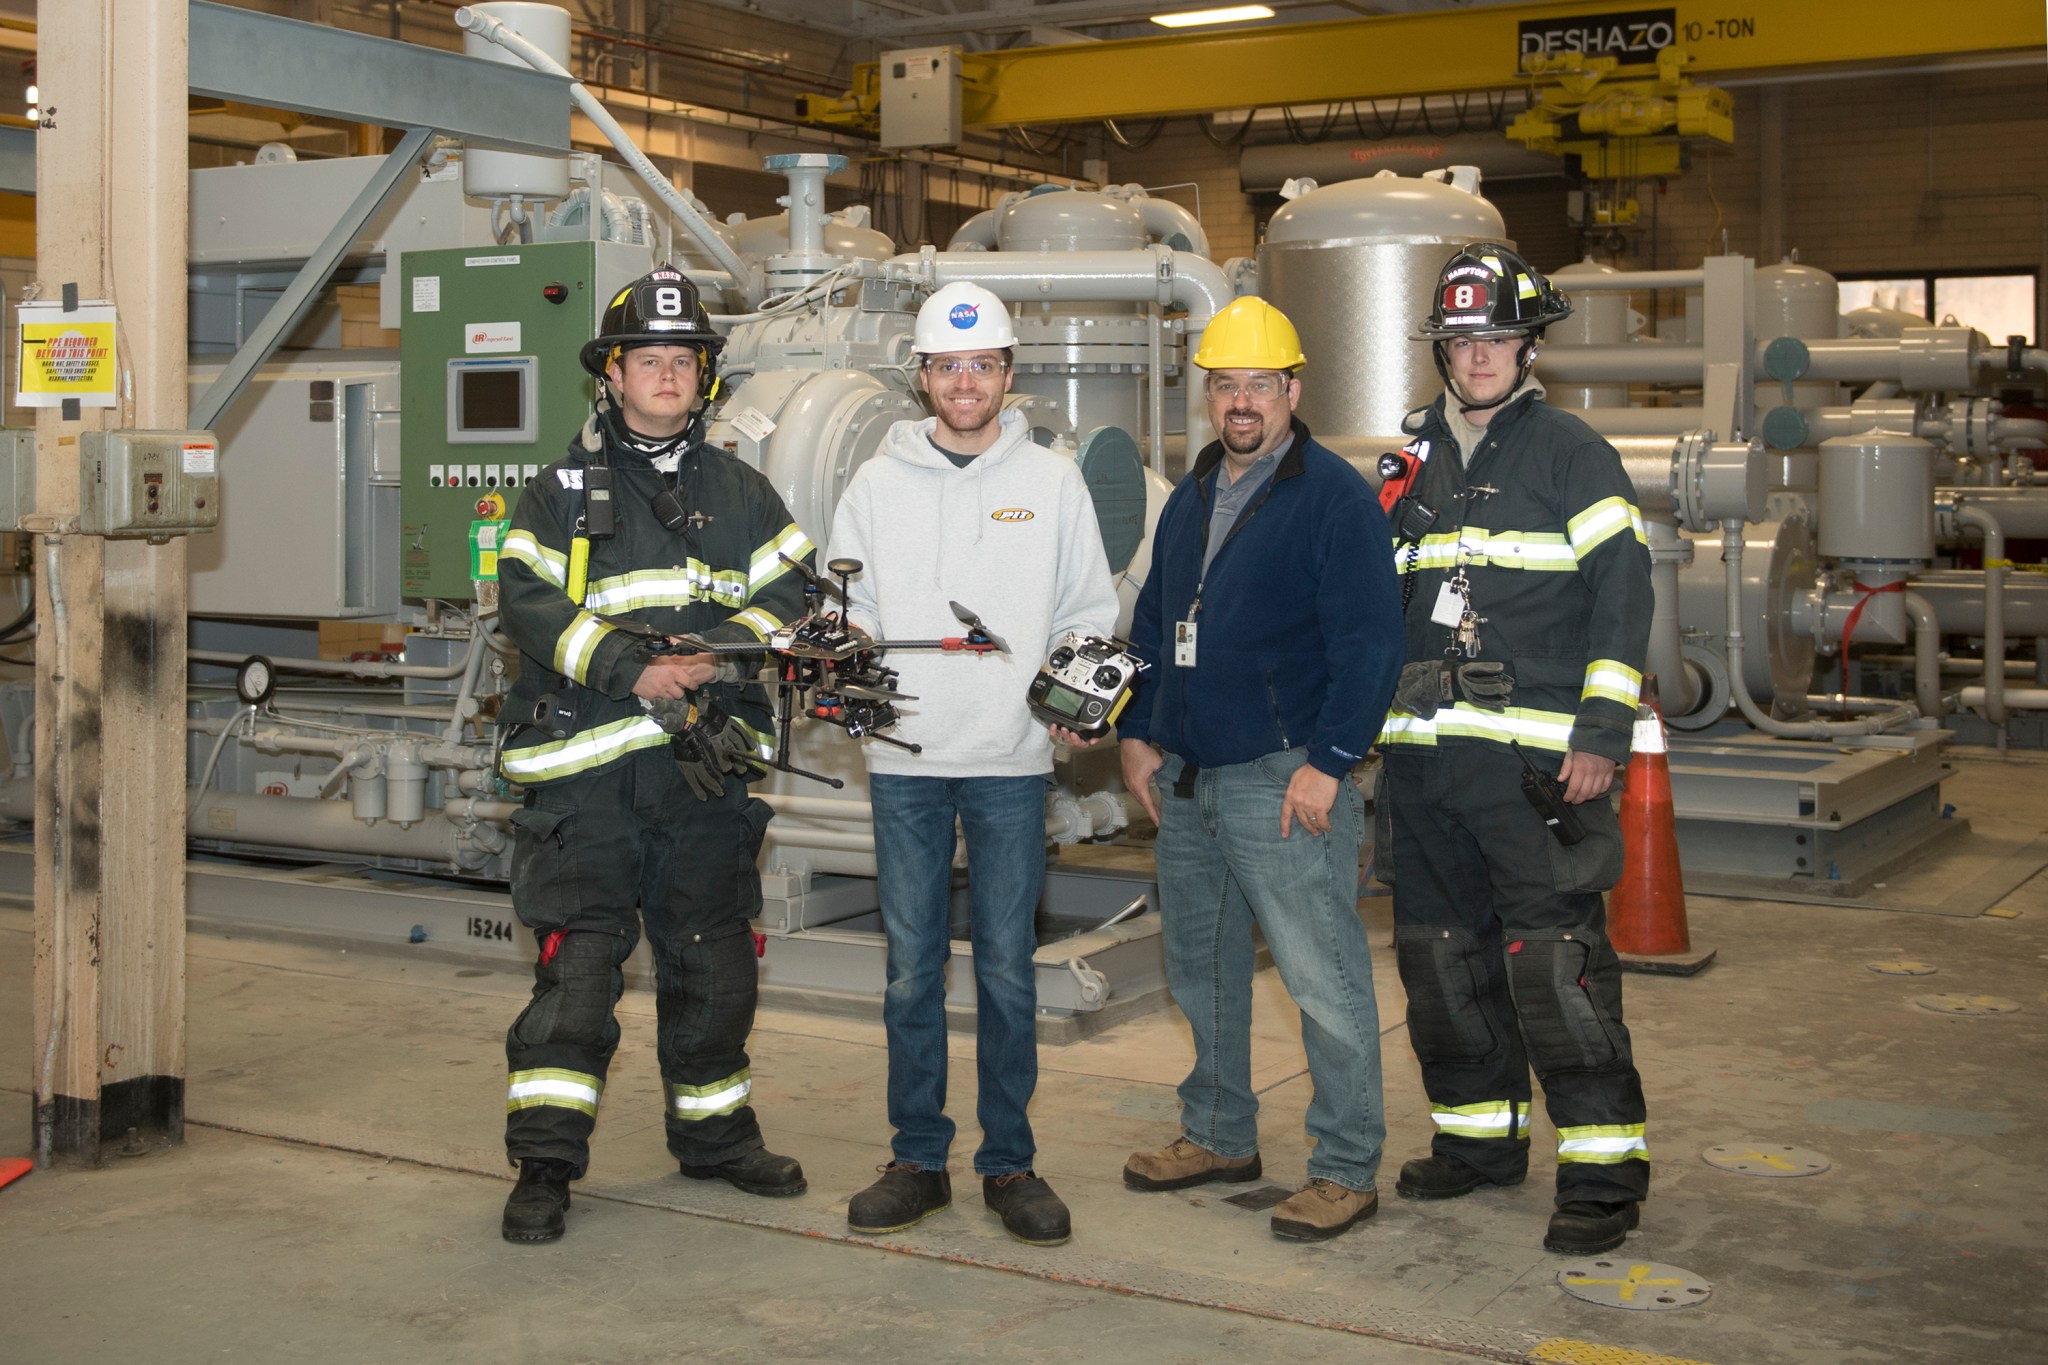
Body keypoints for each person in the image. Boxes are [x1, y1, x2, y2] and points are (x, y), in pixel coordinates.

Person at [492, 264, 816, 1243]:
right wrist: (635, 666)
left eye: (684, 359)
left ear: (703, 377)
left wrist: (711, 655)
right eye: (649, 359)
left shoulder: (745, 494)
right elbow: (527, 599)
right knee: (580, 970)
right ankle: (545, 1165)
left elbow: (795, 597)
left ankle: (714, 1139)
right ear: (615, 374)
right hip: (584, 775)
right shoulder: (553, 494)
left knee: (713, 961)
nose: (666, 374)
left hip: (701, 775)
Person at [826, 281, 1118, 1247]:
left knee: (1005, 970)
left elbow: (1088, 612)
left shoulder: (1053, 482)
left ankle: (1009, 1161)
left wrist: (1075, 702)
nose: (964, 382)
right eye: (948, 366)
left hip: (1010, 758)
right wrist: (834, 653)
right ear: (922, 376)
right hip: (906, 762)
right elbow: (849, 613)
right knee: (910, 970)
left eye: (982, 365)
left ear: (1006, 375)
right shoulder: (875, 484)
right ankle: (918, 1154)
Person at [1376, 242, 1654, 1255]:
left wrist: (1600, 735)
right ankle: (1478, 1143)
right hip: (1421, 761)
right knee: (1440, 962)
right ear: (1441, 352)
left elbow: (1623, 599)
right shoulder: (1410, 465)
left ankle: (1600, 1173)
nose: (1477, 354)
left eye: (1495, 335)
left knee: (1553, 964)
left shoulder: (1573, 455)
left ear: (1528, 344)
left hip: (1535, 769)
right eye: (1459, 339)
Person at [1117, 296, 1402, 1242]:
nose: (1242, 402)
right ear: (1210, 393)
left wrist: (1329, 763)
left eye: (1259, 385)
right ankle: (1217, 1133)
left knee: (1321, 975)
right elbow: (1157, 621)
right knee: (1201, 968)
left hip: (1286, 777)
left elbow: (1370, 643)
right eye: (1225, 384)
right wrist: (1139, 732)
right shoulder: (1194, 492)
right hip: (1191, 773)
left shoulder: (1332, 496)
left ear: (1292, 390)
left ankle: (1346, 1163)